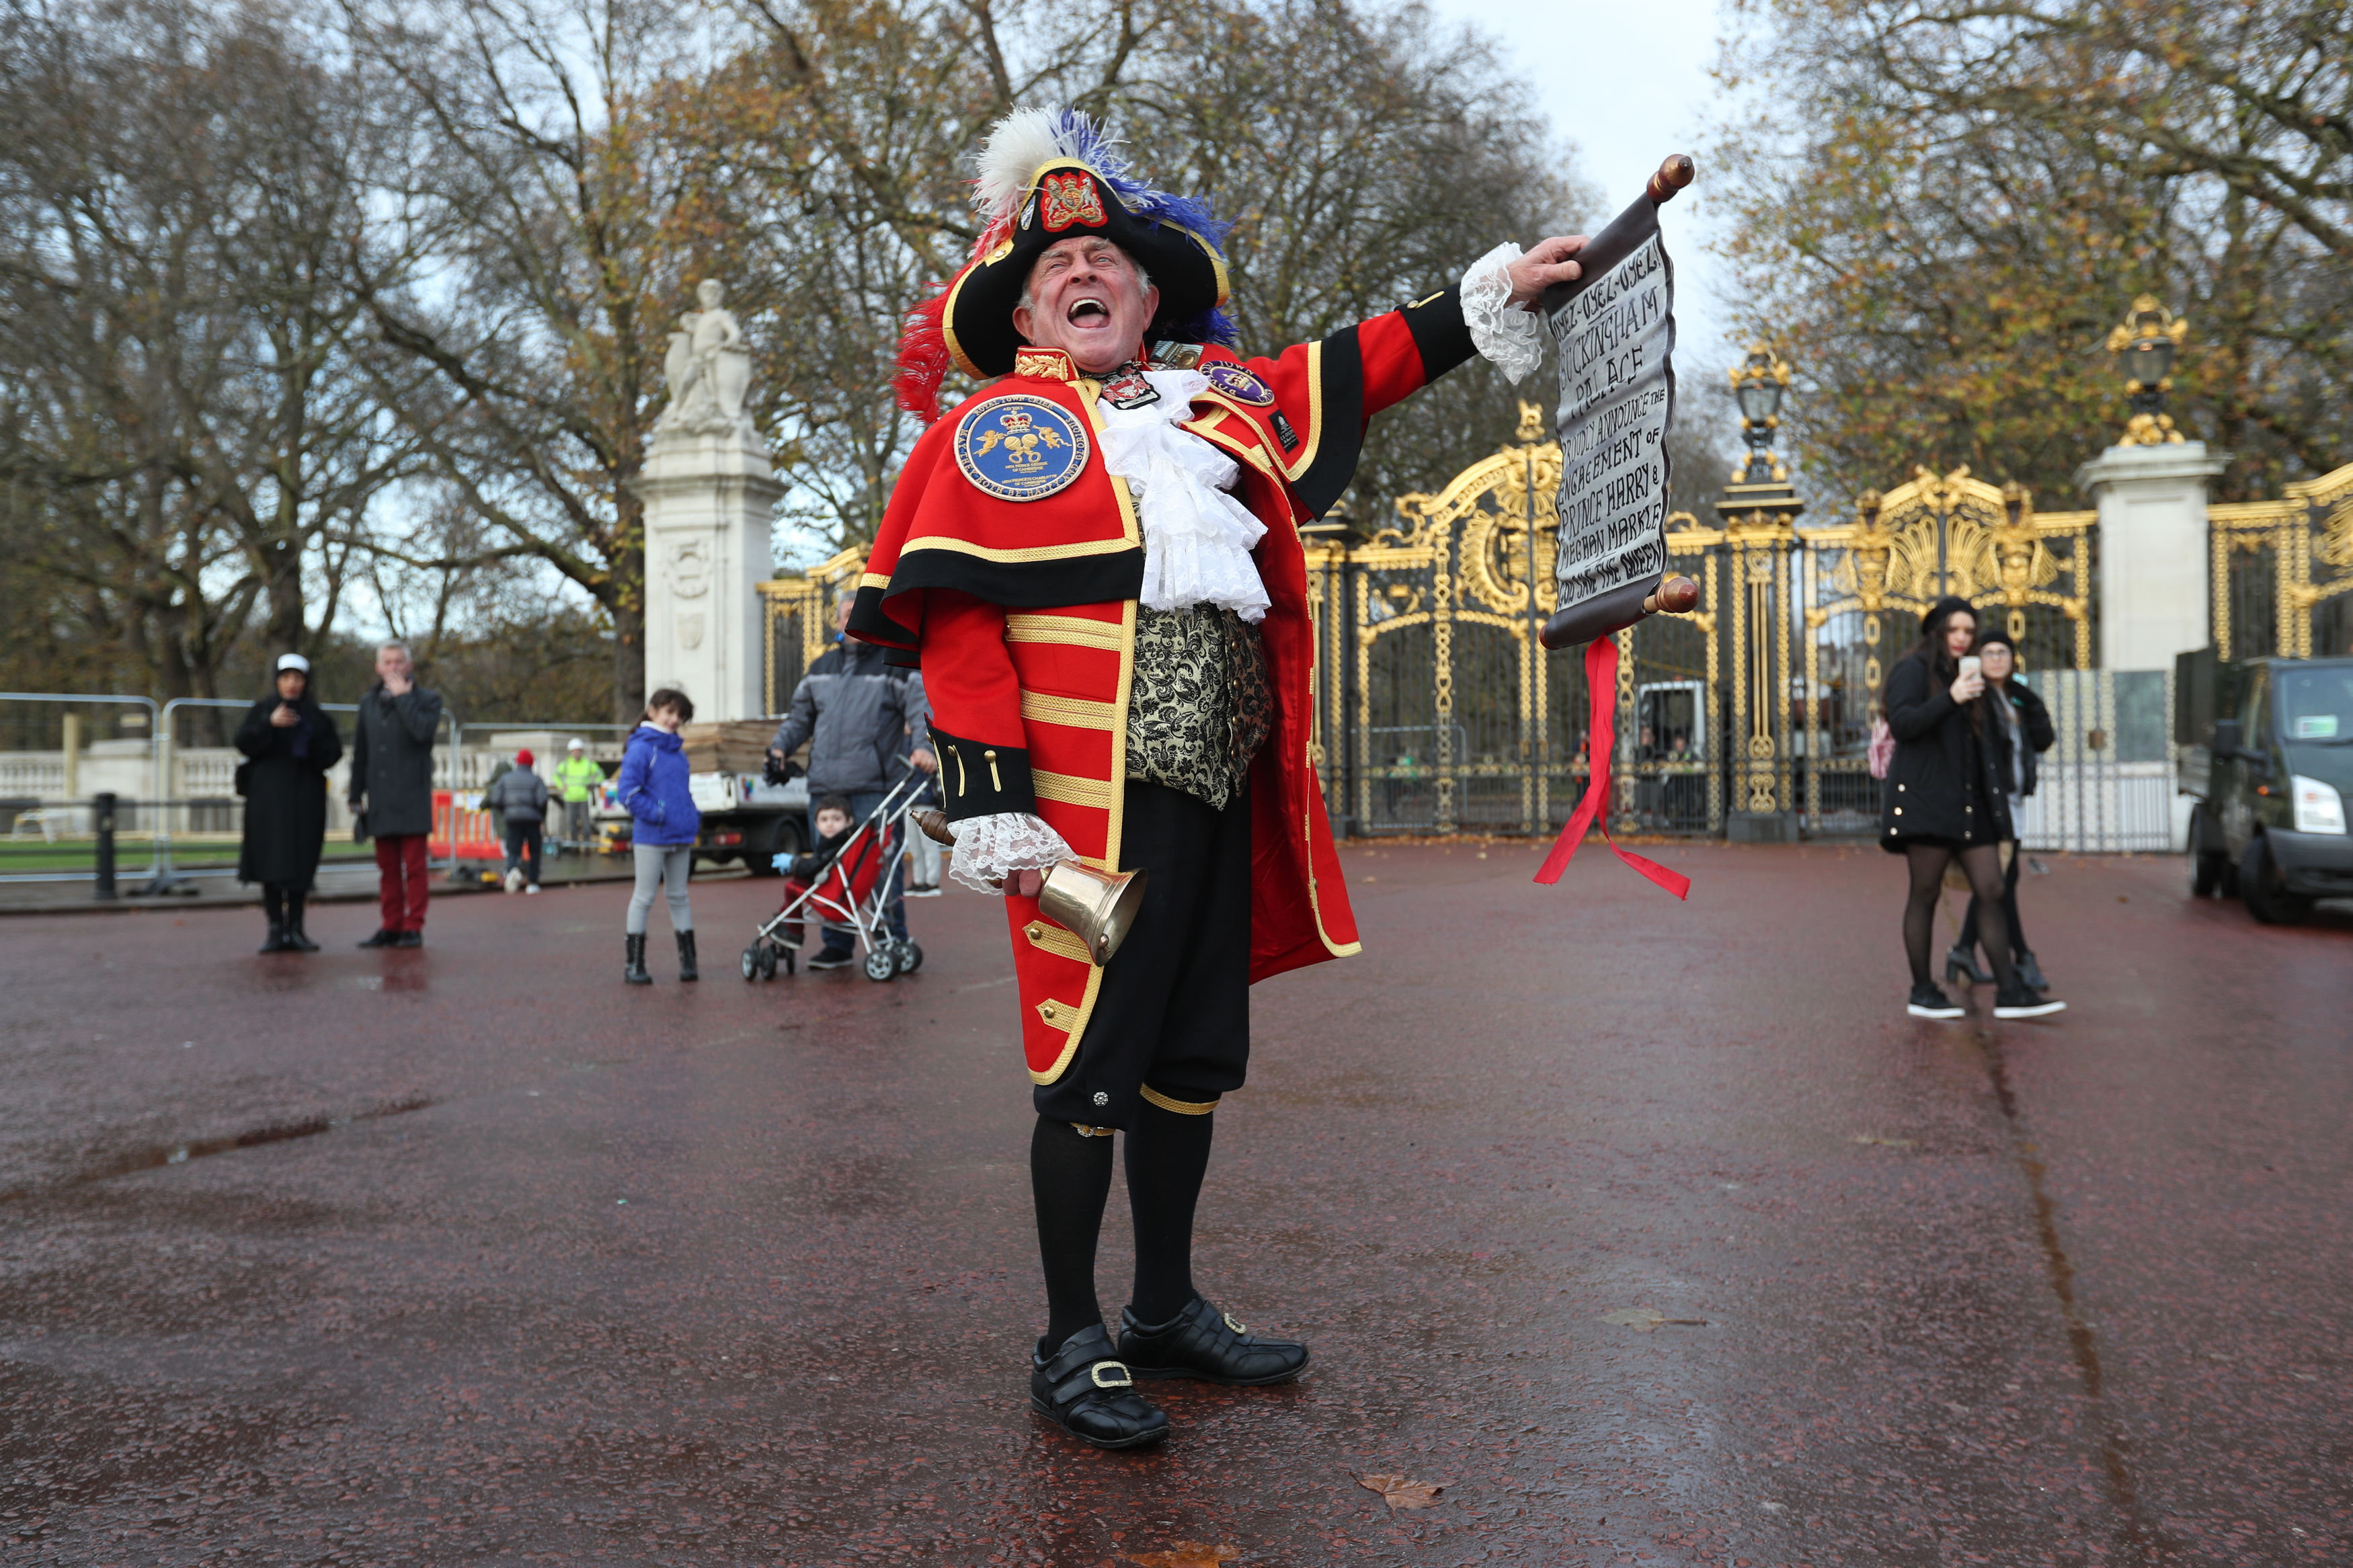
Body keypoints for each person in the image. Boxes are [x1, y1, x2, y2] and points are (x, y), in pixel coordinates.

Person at [849, 107, 1592, 1449]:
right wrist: (988, 797)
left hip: (1209, 789)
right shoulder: (994, 435)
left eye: (1110, 265)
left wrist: (1484, 295)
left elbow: (1349, 369)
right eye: (1055, 270)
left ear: (1147, 294)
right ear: (1024, 308)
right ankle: (1069, 1335)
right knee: (1084, 1058)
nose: (1085, 277)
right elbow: (958, 630)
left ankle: (1164, 1304)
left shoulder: (1216, 403)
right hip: (1073, 819)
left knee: (1190, 1053)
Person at [1880, 597, 2064, 1021]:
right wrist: (1953, 697)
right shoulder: (1913, 670)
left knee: (1993, 889)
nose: (1962, 638)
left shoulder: (1973, 674)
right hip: (1926, 801)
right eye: (1954, 630)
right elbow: (1904, 724)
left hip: (1969, 805)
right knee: (1924, 893)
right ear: (1937, 632)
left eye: (1969, 631)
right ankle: (1922, 990)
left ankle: (2010, 991)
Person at [765, 593, 935, 970]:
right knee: (830, 870)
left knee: (877, 869)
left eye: (859, 616)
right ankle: (837, 945)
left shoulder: (895, 663)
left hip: (875, 787)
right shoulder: (820, 667)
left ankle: (893, 939)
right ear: (838, 622)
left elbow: (920, 708)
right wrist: (779, 749)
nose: (851, 621)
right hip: (825, 789)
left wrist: (923, 747)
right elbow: (799, 719)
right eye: (846, 615)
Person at [1949, 631, 2055, 990]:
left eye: (2003, 653)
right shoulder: (1977, 697)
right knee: (2002, 884)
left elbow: (2043, 740)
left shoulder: (2015, 698)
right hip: (1992, 805)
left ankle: (1964, 949)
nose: (1997, 659)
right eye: (1990, 652)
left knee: (1997, 884)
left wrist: (2032, 701)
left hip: (2015, 802)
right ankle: (2022, 958)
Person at [234, 653, 344, 953]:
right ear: (277, 681)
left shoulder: (316, 716)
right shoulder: (262, 711)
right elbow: (244, 742)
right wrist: (269, 726)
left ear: (306, 682)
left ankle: (296, 928)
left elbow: (332, 753)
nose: (292, 684)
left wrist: (308, 735)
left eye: (298, 678)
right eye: (286, 678)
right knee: (271, 863)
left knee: (300, 865)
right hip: (268, 802)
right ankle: (274, 929)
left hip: (305, 800)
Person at [348, 639, 444, 949]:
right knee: (387, 869)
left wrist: (405, 698)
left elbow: (422, 733)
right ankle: (390, 925)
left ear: (410, 666)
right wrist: (355, 793)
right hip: (380, 798)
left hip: (412, 796)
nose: (393, 668)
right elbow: (361, 751)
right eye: (387, 662)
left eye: (399, 662)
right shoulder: (368, 702)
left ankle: (413, 926)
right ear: (378, 667)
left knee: (415, 869)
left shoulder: (428, 699)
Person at [616, 688, 702, 984]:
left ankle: (689, 963)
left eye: (680, 715)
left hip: (680, 834)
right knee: (644, 898)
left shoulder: (677, 753)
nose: (674, 720)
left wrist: (690, 816)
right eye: (669, 712)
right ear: (652, 711)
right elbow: (627, 793)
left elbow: (682, 793)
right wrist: (660, 814)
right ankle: (634, 965)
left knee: (679, 897)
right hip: (652, 836)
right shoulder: (641, 749)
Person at [484, 749, 550, 893]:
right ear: (531, 764)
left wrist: (505, 811)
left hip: (512, 819)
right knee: (534, 851)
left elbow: (495, 799)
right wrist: (541, 816)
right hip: (533, 820)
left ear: (517, 763)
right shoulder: (537, 780)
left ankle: (511, 871)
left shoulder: (505, 778)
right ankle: (532, 882)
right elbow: (543, 800)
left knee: (513, 850)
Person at [553, 739, 605, 848]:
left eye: (578, 751)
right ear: (571, 752)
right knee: (572, 824)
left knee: (586, 824)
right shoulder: (566, 764)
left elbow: (600, 775)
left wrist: (593, 785)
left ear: (581, 751)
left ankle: (586, 846)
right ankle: (574, 847)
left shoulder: (588, 764)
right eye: (574, 751)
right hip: (570, 798)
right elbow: (556, 775)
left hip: (584, 798)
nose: (576, 753)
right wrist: (561, 786)